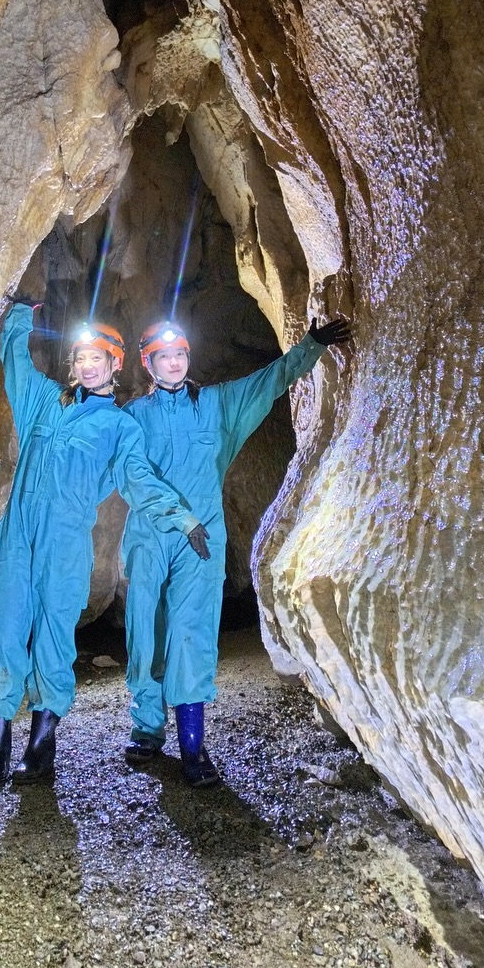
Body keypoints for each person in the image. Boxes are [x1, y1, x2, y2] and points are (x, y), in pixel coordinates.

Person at [0, 300, 211, 787]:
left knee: (53, 640)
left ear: (114, 365)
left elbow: (138, 479)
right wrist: (18, 317)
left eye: (96, 358)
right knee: (2, 634)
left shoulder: (121, 427)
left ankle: (40, 750)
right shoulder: (43, 400)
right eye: (80, 358)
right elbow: (14, 360)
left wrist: (182, 517)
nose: (86, 365)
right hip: (17, 536)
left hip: (65, 543)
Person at [122, 312, 351, 784]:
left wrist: (310, 346)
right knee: (146, 631)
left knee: (191, 633)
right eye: (163, 356)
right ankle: (147, 727)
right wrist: (177, 516)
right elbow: (133, 476)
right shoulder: (133, 417)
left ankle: (192, 746)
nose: (174, 362)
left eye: (180, 354)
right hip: (149, 535)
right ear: (148, 363)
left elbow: (269, 382)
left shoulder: (217, 404)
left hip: (201, 538)